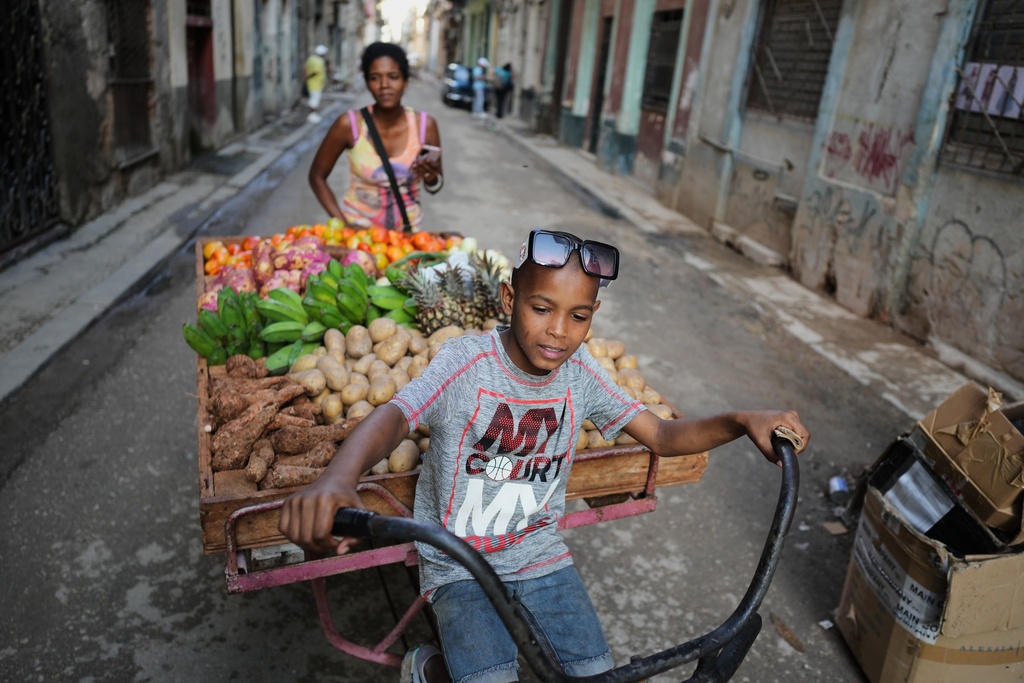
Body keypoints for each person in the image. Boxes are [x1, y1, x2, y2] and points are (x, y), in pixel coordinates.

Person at [279, 228, 810, 682]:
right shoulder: (467, 363)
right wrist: (338, 478)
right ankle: (430, 670)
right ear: (509, 300)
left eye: (578, 316)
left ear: (593, 316)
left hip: (540, 555)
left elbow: (665, 437)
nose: (559, 330)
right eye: (542, 308)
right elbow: (396, 415)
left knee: (595, 676)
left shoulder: (581, 377)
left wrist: (742, 420)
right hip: (460, 563)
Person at [308, 42, 443, 231]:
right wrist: (344, 226)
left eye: (393, 77)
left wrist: (430, 176)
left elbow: (435, 183)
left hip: (407, 239)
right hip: (358, 237)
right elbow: (316, 176)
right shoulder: (349, 124)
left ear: (406, 81)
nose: (384, 85)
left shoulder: (425, 126)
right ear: (367, 82)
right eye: (375, 78)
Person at [305, 44, 329, 124]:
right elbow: (316, 71)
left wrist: (307, 77)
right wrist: (310, 76)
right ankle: (311, 115)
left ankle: (312, 115)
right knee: (314, 100)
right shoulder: (319, 61)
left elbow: (306, 68)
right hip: (316, 84)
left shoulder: (311, 59)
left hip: (312, 83)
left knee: (313, 99)